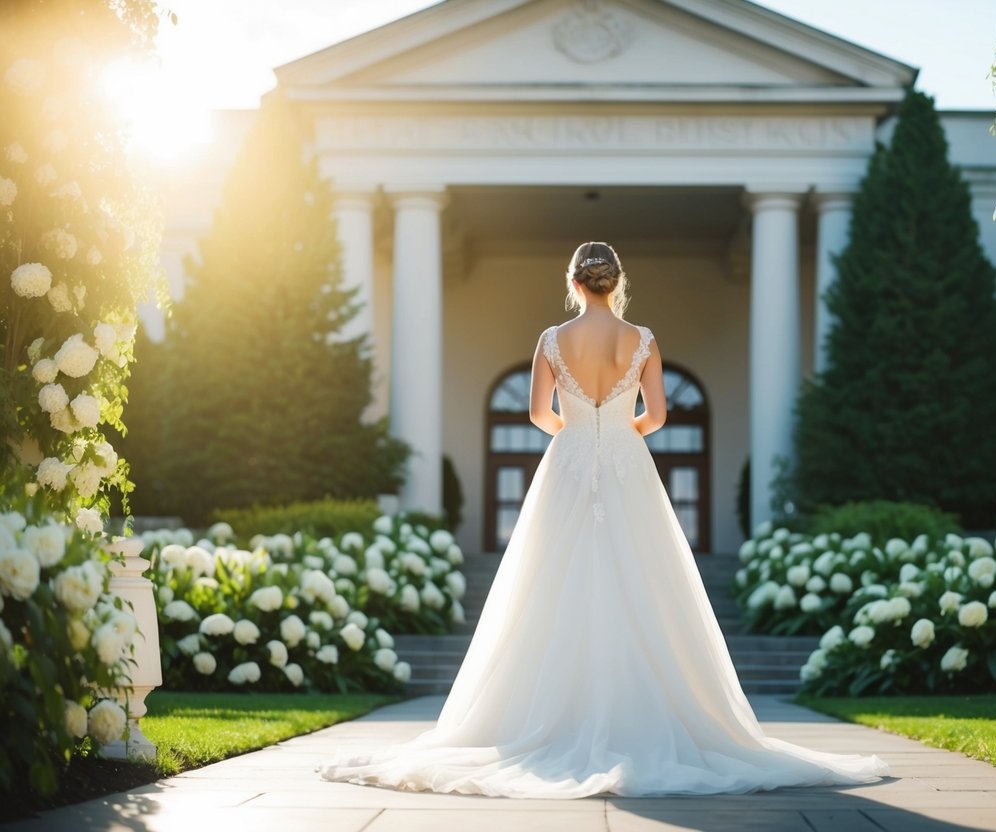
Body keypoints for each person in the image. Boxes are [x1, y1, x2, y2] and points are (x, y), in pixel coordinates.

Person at [318, 241, 888, 798]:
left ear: (573, 284)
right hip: (626, 464)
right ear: (617, 283)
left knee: (547, 585)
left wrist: (575, 435)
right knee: (643, 580)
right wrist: (616, 432)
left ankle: (535, 717)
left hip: (565, 465)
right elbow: (658, 414)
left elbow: (539, 412)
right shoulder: (642, 340)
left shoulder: (551, 339)